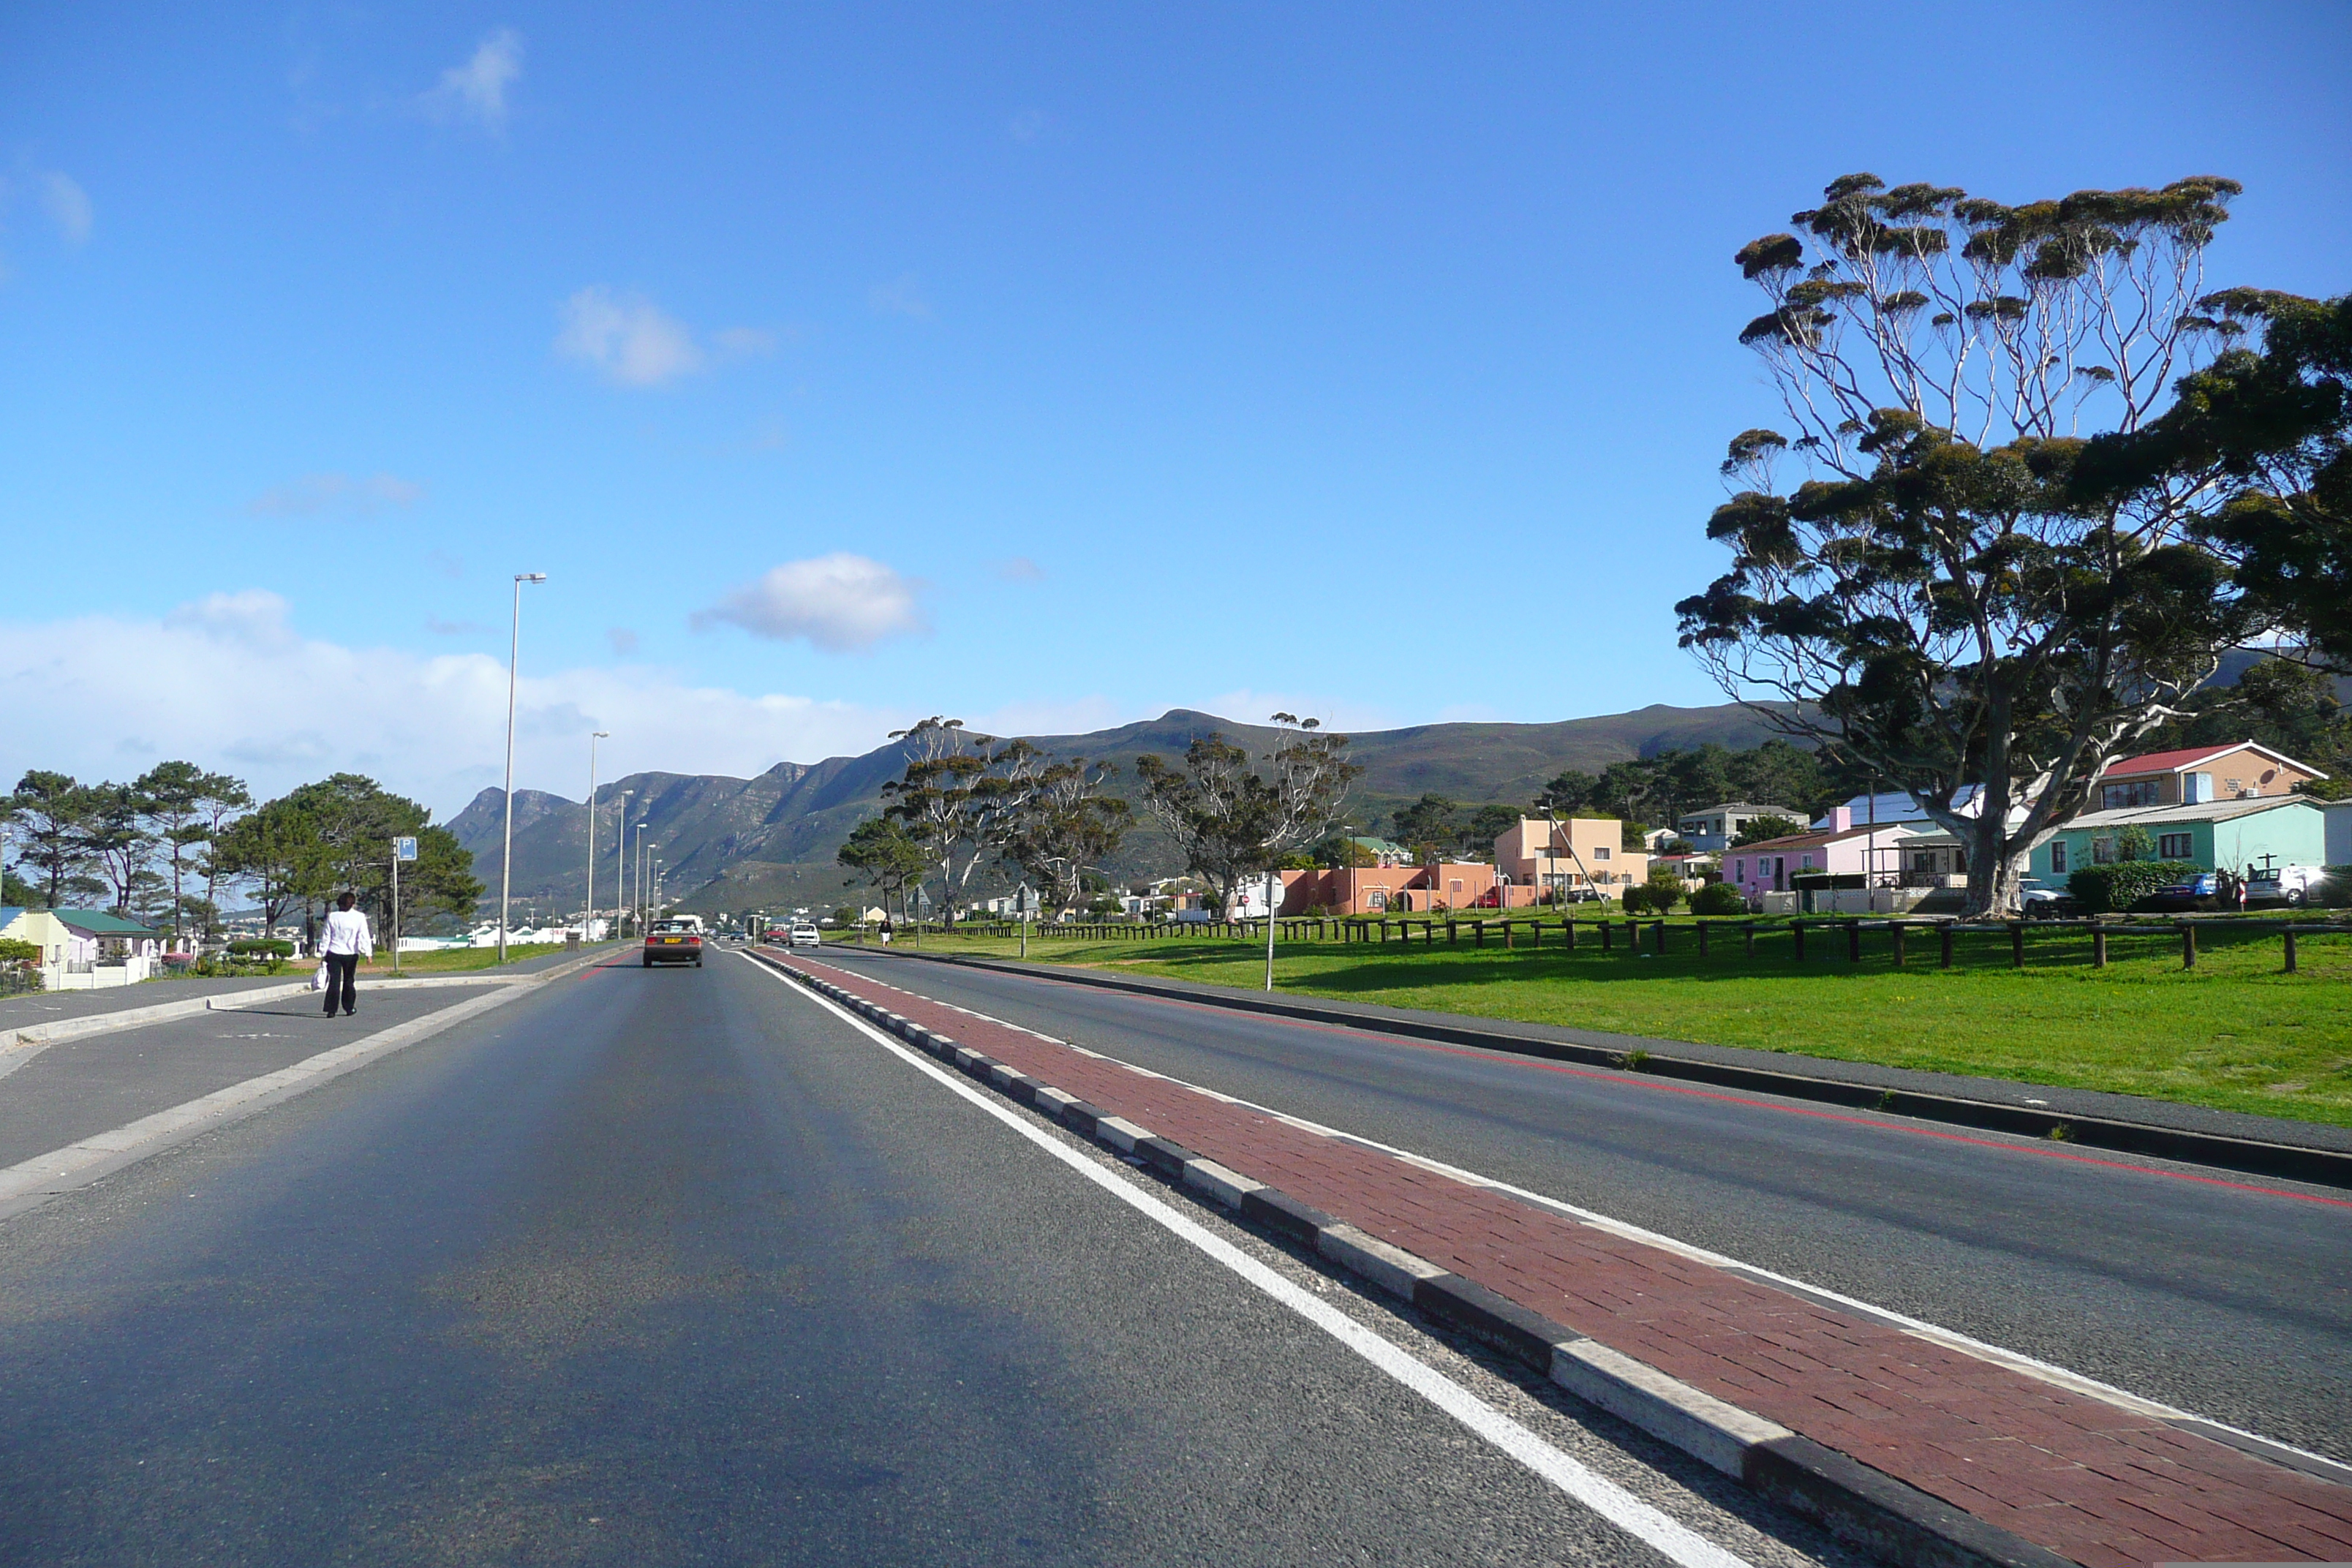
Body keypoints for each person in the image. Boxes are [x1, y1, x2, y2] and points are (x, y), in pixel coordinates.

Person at [319, 891, 373, 1017]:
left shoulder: (333, 916)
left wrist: (322, 952)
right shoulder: (359, 917)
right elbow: (364, 936)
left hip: (333, 952)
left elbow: (326, 936)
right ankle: (349, 1008)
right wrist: (368, 953)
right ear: (353, 904)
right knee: (349, 981)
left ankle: (331, 1010)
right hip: (351, 953)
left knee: (334, 981)